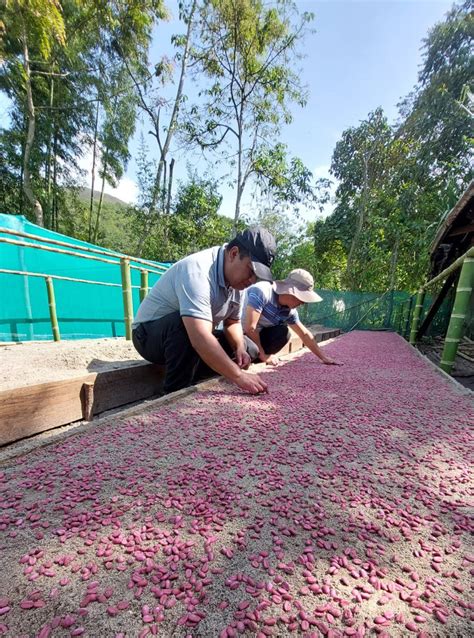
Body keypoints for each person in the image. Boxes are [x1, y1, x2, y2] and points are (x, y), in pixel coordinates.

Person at [132, 227, 276, 395]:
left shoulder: (238, 284)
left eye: (256, 276)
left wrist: (239, 348)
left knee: (250, 348)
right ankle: (174, 392)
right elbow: (200, 337)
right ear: (234, 254)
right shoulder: (198, 271)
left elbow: (232, 322)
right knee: (185, 328)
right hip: (149, 336)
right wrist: (238, 376)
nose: (252, 280)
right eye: (251, 271)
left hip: (192, 335)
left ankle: (194, 370)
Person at [242, 268, 339, 366]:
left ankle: (253, 357)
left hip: (256, 338)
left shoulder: (289, 311)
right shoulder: (262, 291)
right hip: (238, 334)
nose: (302, 303)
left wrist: (324, 357)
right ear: (291, 292)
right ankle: (250, 356)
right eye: (302, 298)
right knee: (248, 347)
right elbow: (250, 328)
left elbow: (304, 334)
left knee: (283, 333)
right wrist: (263, 355)